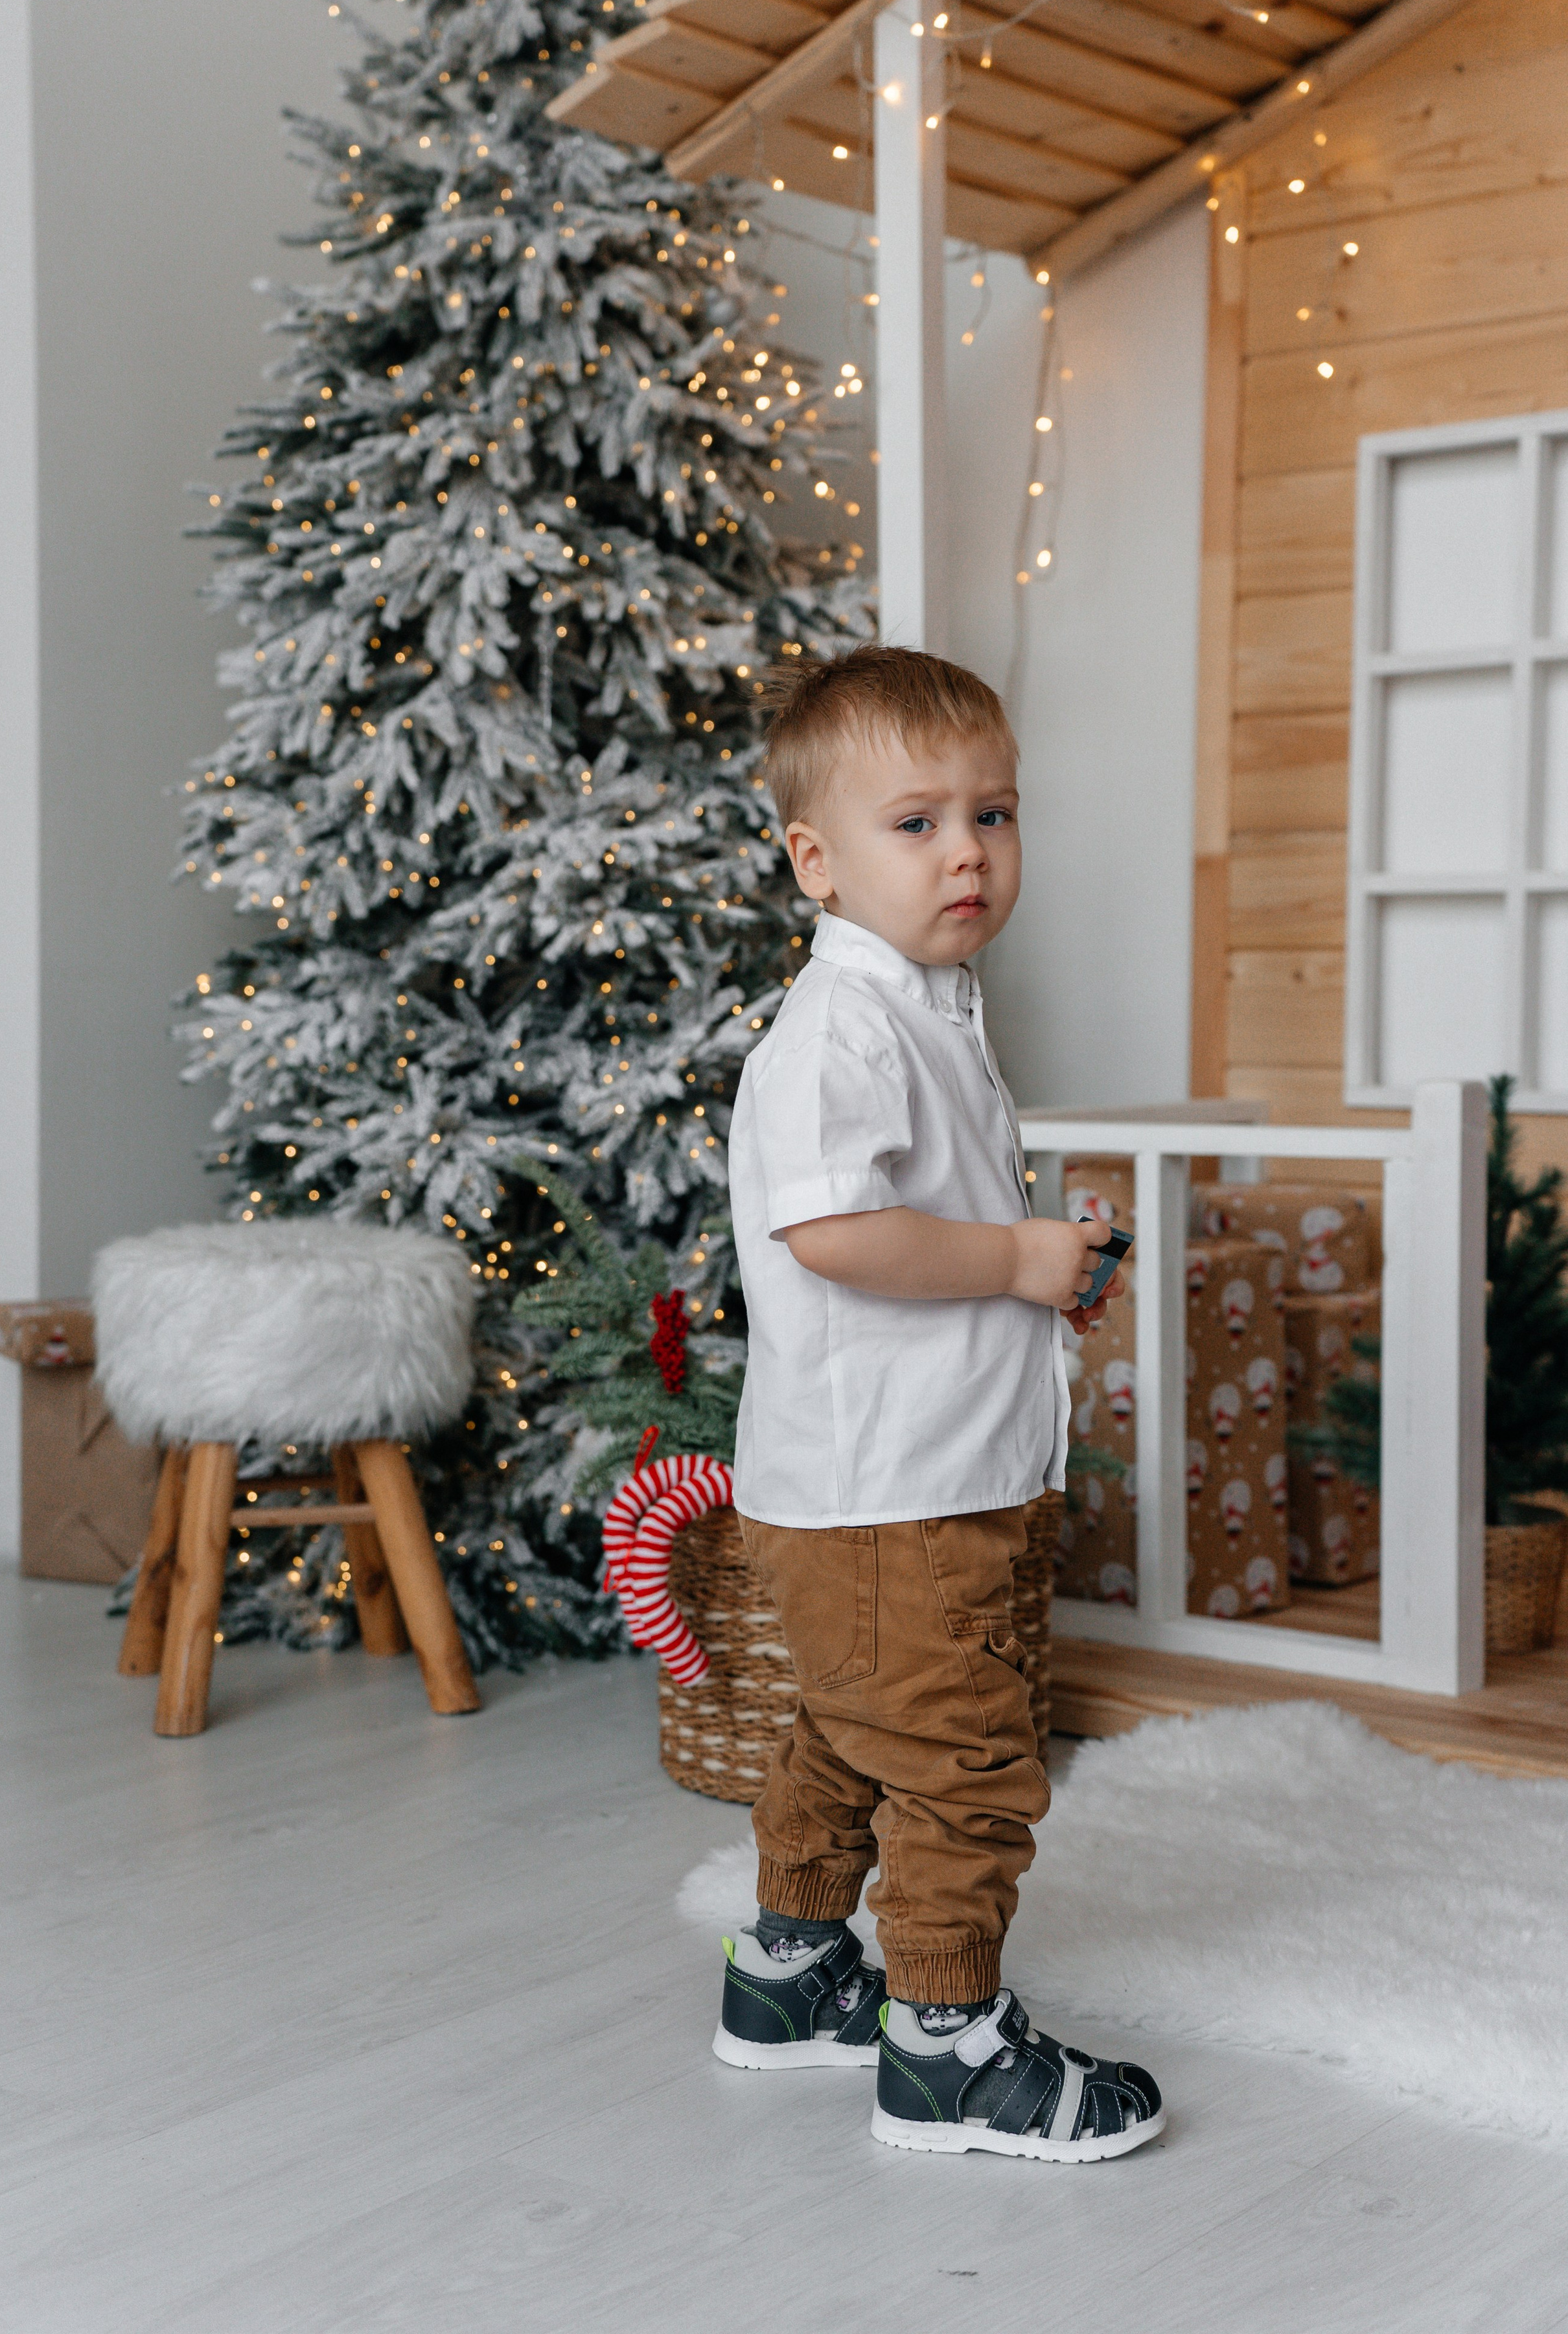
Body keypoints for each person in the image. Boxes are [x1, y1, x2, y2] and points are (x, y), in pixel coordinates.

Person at [713, 641, 1164, 2163]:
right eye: (915, 822)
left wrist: (1033, 1271)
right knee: (966, 1757)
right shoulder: (839, 1028)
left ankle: (785, 1980)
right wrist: (1017, 1255)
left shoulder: (928, 1004)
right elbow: (832, 1234)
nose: (965, 849)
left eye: (993, 814)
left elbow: (924, 1232)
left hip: (908, 1471)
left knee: (849, 1735)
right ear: (816, 861)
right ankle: (946, 2047)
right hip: (886, 1484)